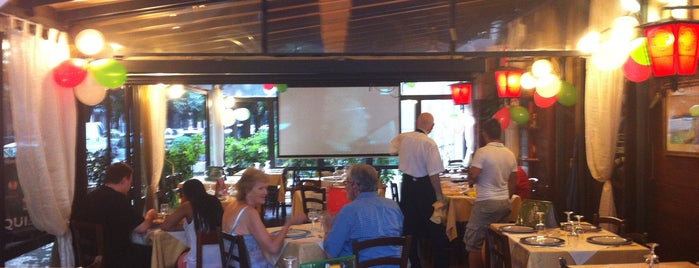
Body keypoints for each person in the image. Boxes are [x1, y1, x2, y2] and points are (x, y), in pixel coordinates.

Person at [389, 112, 448, 268]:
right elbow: (433, 175)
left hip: (407, 185)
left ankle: (413, 264)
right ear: (432, 126)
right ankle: (441, 265)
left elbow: (392, 151)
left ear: (417, 122)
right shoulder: (429, 143)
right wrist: (439, 196)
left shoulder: (403, 137)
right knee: (436, 229)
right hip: (424, 186)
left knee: (410, 229)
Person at [72, 162, 157, 268]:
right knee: (155, 254)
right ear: (124, 180)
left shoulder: (90, 197)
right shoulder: (118, 199)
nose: (130, 185)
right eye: (130, 180)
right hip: (115, 257)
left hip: (89, 257)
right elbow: (142, 227)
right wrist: (150, 214)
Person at [221, 168, 306, 267]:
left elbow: (262, 239)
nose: (266, 193)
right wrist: (289, 223)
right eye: (260, 188)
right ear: (247, 190)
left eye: (266, 188)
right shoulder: (249, 212)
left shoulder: (231, 206)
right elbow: (273, 249)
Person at [463, 118, 518, 268]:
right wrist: (506, 197)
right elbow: (513, 181)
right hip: (504, 203)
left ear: (484, 134)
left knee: (473, 244)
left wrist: (470, 179)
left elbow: (474, 176)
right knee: (497, 244)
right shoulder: (510, 154)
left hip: (486, 202)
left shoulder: (483, 152)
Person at [323, 164, 403, 263]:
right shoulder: (393, 206)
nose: (345, 187)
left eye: (347, 182)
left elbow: (330, 254)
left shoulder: (349, 210)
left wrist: (329, 229)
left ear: (355, 186)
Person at [160, 179, 224, 268]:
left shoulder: (188, 206)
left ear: (186, 194)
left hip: (198, 261)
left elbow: (165, 225)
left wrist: (182, 203)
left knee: (176, 260)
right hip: (221, 258)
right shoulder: (215, 201)